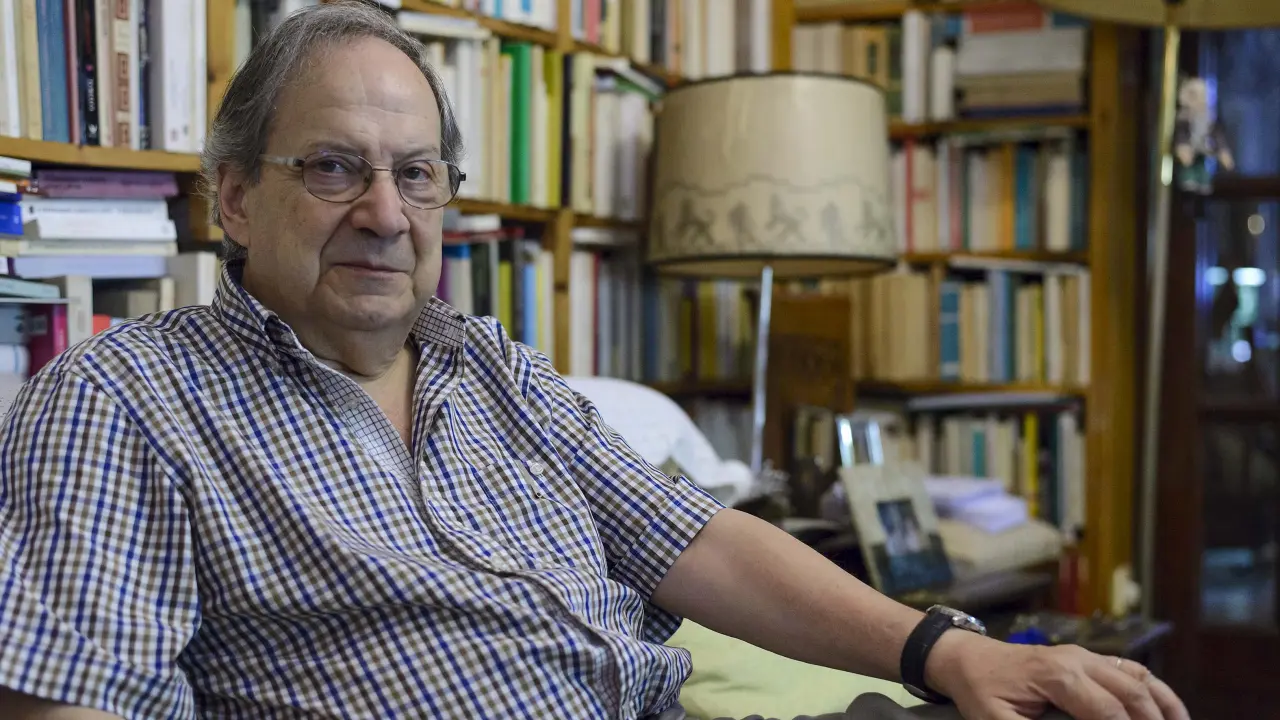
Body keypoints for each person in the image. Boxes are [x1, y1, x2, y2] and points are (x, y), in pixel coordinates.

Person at [0, 4, 1188, 720]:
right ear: (234, 200)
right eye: (332, 168)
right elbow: (78, 700)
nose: (385, 212)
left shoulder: (493, 369)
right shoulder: (122, 401)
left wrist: (947, 649)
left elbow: (697, 541)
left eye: (417, 174)